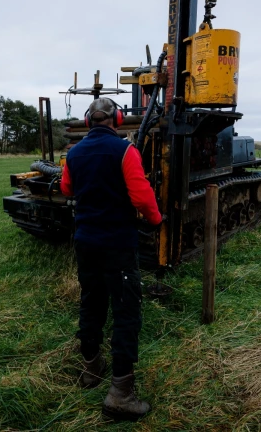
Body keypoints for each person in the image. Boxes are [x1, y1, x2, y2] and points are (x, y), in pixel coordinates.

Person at [60, 97, 163, 422]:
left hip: (85, 243)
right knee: (125, 312)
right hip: (117, 246)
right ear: (116, 119)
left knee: (91, 302)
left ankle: (92, 369)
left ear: (89, 121)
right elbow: (141, 196)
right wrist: (156, 220)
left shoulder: (73, 154)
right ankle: (121, 394)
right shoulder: (125, 151)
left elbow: (66, 189)